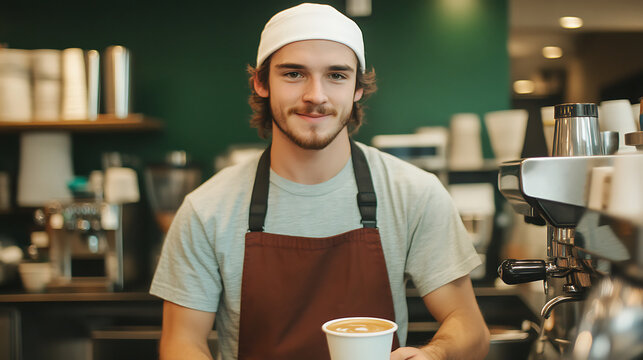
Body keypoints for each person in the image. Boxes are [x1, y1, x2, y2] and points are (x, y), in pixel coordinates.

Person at [151, 3, 490, 360]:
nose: (316, 95)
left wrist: (434, 355)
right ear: (262, 83)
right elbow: (181, 342)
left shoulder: (414, 194)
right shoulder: (207, 209)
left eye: (337, 75)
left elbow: (468, 326)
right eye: (294, 74)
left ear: (358, 88)